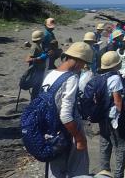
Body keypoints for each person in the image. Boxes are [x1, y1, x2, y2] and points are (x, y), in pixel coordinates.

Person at [42, 42, 93, 178]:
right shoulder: (71, 78)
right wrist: (80, 138)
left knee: (55, 171)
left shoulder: (50, 74)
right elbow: (65, 115)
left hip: (50, 131)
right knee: (77, 170)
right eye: (83, 64)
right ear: (78, 61)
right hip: (66, 131)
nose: (82, 68)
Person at [98, 51, 125, 178]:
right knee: (120, 146)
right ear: (115, 64)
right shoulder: (115, 78)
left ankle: (104, 172)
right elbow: (117, 101)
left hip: (102, 115)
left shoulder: (99, 75)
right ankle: (118, 174)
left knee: (105, 143)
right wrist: (124, 116)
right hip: (113, 118)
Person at [26, 30, 47, 100]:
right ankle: (33, 104)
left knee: (37, 88)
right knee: (36, 89)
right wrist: (40, 58)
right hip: (36, 71)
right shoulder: (35, 47)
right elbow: (28, 59)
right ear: (40, 39)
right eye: (43, 37)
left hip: (39, 70)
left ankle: (34, 103)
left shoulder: (37, 46)